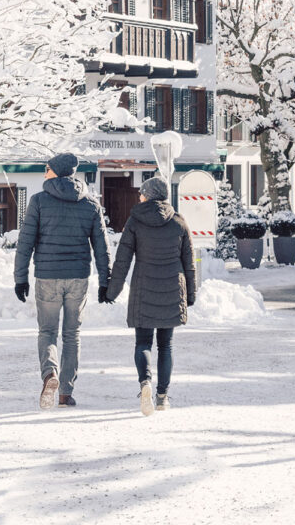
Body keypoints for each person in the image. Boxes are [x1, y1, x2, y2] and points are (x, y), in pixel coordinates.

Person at [13, 152, 110, 409]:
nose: (45, 172)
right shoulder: (90, 204)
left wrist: (20, 278)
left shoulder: (38, 202)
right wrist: (105, 280)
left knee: (47, 331)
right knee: (72, 334)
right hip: (78, 277)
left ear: (56, 171)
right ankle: (66, 392)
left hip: (47, 276)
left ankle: (49, 374)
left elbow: (25, 243)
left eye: (47, 168)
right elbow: (102, 246)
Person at [102, 176, 196, 416]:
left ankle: (145, 384)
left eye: (142, 193)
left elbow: (123, 260)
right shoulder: (179, 222)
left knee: (143, 342)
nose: (139, 196)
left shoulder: (135, 222)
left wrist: (112, 291)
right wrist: (190, 295)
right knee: (166, 345)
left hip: (143, 289)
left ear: (149, 195)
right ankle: (162, 396)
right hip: (173, 290)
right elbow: (189, 263)